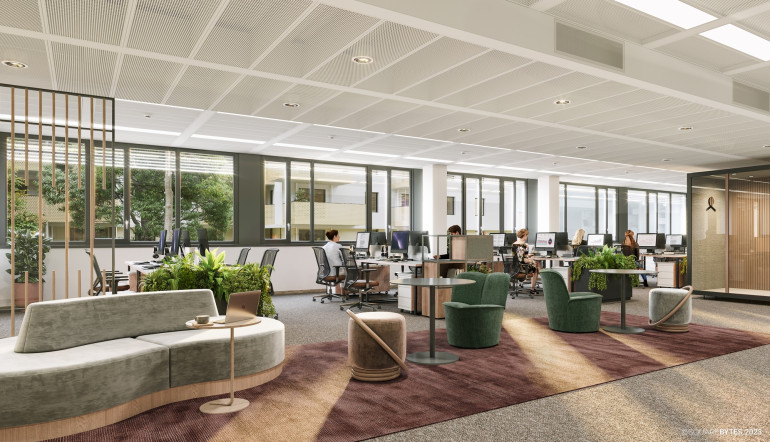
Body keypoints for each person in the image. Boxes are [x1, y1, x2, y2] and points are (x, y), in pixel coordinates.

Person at [513, 228, 540, 295]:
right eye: (527, 235)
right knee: (535, 268)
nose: (527, 237)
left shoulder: (514, 244)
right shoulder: (524, 245)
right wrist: (531, 259)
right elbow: (523, 260)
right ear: (524, 235)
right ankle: (532, 289)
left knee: (534, 264)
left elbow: (520, 256)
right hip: (522, 268)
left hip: (515, 267)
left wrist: (528, 255)